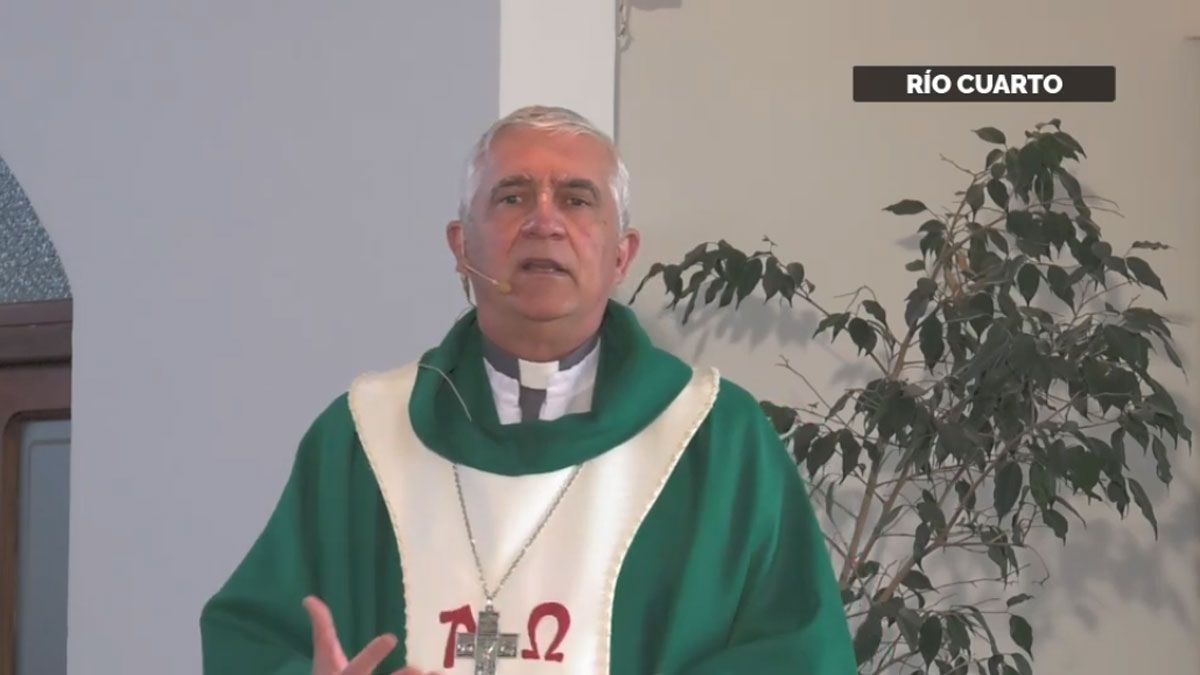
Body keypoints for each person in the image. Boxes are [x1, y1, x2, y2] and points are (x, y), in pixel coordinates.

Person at [199, 105, 856, 675]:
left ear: (622, 254)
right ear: (462, 246)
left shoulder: (714, 437)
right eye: (512, 197)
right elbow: (255, 640)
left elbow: (800, 655)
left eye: (576, 199)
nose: (545, 222)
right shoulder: (365, 434)